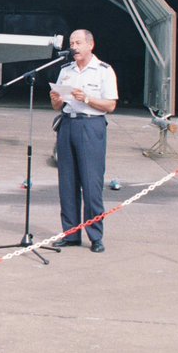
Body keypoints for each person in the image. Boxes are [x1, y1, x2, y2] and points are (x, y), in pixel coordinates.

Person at [48, 29, 118, 252]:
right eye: (71, 43)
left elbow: (110, 105)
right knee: (67, 183)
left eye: (78, 43)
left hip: (90, 126)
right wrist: (56, 99)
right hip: (67, 124)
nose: (74, 47)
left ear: (90, 45)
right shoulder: (66, 70)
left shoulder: (103, 71)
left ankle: (95, 236)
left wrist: (86, 98)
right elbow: (57, 106)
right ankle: (70, 234)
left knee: (91, 183)